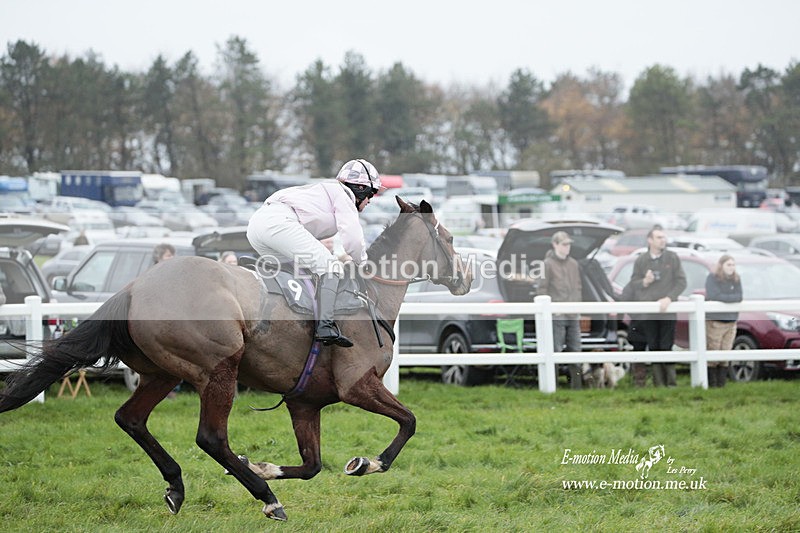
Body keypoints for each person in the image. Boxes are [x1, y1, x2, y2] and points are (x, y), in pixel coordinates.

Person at [246, 158, 383, 347]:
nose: (370, 201)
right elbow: (352, 240)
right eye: (371, 194)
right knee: (332, 267)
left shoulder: (326, 190)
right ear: (360, 189)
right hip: (279, 222)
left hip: (256, 226)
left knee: (305, 271)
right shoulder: (345, 195)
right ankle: (325, 326)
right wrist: (363, 263)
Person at [629, 225, 687, 386]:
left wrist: (669, 298)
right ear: (650, 240)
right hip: (649, 312)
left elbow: (681, 282)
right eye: (659, 237)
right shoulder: (641, 260)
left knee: (666, 346)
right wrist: (645, 282)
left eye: (664, 237)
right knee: (653, 346)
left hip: (667, 311)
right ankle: (658, 384)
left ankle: (671, 384)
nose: (663, 240)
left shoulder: (672, 258)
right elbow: (633, 283)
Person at [537, 231, 584, 389]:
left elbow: (578, 287)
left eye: (569, 244)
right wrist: (551, 309)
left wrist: (577, 305)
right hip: (556, 314)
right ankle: (553, 385)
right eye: (564, 244)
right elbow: (541, 289)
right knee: (555, 350)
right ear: (555, 244)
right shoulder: (547, 264)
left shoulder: (574, 264)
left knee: (576, 349)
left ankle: (576, 386)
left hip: (573, 313)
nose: (567, 247)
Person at [705, 254, 742, 387]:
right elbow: (714, 295)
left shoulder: (736, 279)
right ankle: (712, 384)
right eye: (728, 265)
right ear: (721, 265)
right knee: (714, 352)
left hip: (731, 321)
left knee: (726, 353)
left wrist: (727, 299)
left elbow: (739, 296)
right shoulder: (712, 278)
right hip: (716, 321)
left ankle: (722, 384)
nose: (731, 267)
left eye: (733, 265)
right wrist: (730, 299)